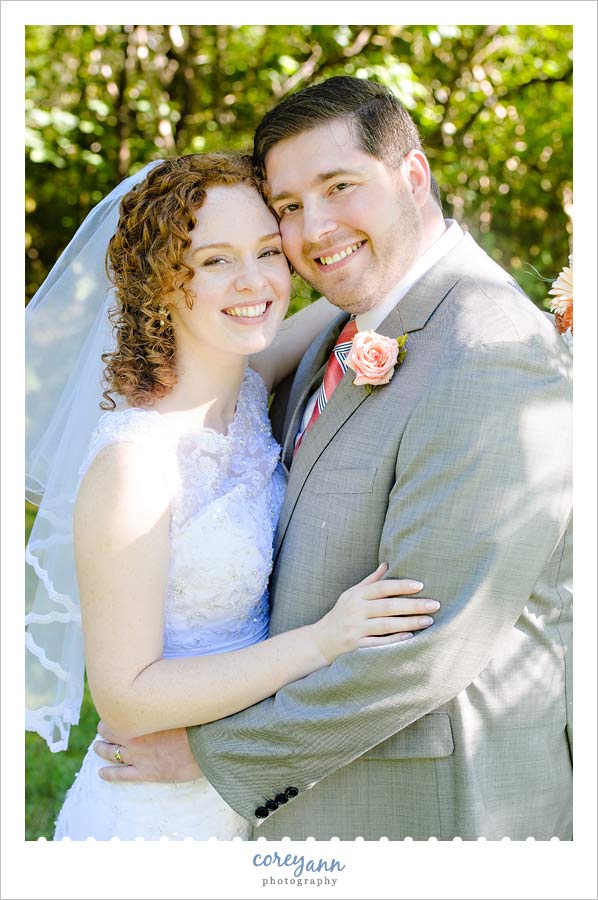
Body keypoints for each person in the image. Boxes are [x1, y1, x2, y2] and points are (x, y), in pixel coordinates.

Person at [94, 77, 573, 841]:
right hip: (303, 803)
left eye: (340, 186)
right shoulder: (337, 331)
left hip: (430, 809)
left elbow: (424, 645)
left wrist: (217, 755)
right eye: (288, 207)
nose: (313, 229)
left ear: (413, 176)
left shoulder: (489, 352)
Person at [25, 152, 438, 841]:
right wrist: (325, 641)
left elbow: (365, 303)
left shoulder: (249, 386)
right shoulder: (137, 466)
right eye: (215, 261)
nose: (254, 282)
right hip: (153, 821)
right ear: (161, 285)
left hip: (246, 792)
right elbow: (126, 700)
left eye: (268, 252)